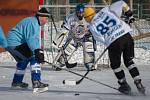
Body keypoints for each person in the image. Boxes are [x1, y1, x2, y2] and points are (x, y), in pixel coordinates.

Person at [83, 0, 145, 95]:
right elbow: (121, 2)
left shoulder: (92, 26)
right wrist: (129, 13)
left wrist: (109, 41)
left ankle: (123, 84)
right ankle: (138, 81)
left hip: (114, 42)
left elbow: (101, 39)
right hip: (126, 36)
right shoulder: (105, 10)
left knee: (115, 65)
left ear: (87, 18)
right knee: (129, 61)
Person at [6, 7, 49, 93]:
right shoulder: (33, 23)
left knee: (23, 60)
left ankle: (17, 82)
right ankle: (36, 82)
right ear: (41, 17)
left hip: (13, 43)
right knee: (34, 57)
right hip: (15, 43)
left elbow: (33, 40)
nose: (46, 21)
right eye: (46, 18)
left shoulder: (33, 21)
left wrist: (38, 50)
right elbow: (31, 39)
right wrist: (37, 52)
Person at [53, 3, 96, 71]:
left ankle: (90, 63)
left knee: (88, 47)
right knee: (68, 49)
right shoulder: (71, 18)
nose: (81, 15)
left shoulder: (88, 17)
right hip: (73, 37)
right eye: (79, 13)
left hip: (86, 36)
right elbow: (64, 28)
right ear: (76, 12)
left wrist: (92, 33)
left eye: (82, 13)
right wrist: (60, 38)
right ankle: (60, 63)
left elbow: (94, 28)